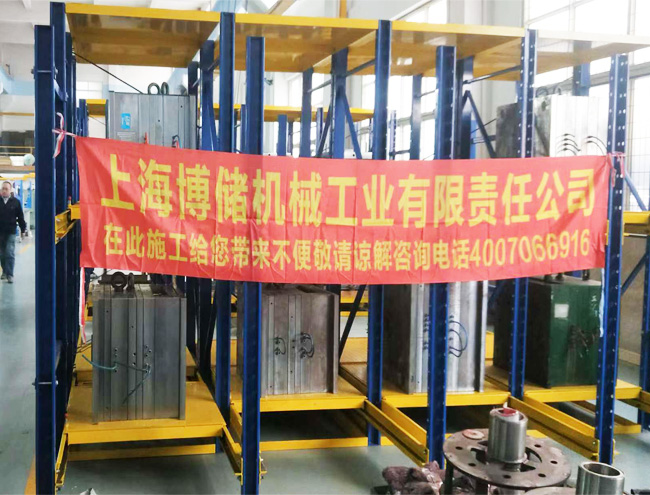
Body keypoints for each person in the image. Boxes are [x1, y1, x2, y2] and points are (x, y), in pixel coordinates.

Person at [0, 181, 27, 283]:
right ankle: (4, 271)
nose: (4, 191)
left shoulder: (16, 202)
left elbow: (20, 217)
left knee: (9, 252)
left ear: (10, 190)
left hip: (11, 231)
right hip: (0, 232)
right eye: (2, 188)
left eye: (6, 189)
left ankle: (10, 274)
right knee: (2, 253)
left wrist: (23, 230)